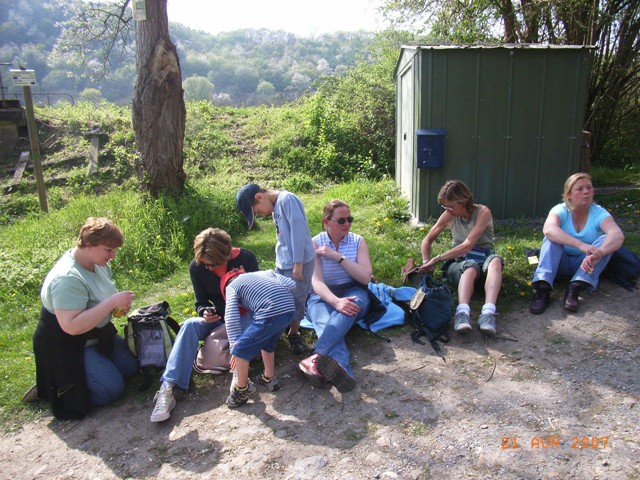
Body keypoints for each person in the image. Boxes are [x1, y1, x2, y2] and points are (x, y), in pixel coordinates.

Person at [33, 217, 138, 420]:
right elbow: (71, 326)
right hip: (69, 344)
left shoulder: (98, 263)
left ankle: (94, 370)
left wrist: (116, 309)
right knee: (112, 390)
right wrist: (110, 304)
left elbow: (100, 300)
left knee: (130, 368)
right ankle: (55, 383)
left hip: (97, 334)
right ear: (88, 244)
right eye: (109, 250)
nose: (113, 255)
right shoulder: (67, 279)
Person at [150, 228, 258, 423]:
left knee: (241, 320)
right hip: (218, 317)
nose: (210, 269)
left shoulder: (246, 259)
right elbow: (200, 302)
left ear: (227, 254)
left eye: (214, 265)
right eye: (206, 265)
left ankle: (239, 374)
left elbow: (260, 296)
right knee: (190, 325)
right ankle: (168, 388)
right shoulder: (197, 267)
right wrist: (204, 312)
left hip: (244, 313)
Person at [299, 199, 373, 393]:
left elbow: (365, 278)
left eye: (350, 219)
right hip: (323, 294)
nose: (347, 224)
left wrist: (338, 257)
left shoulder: (358, 241)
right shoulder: (314, 243)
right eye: (341, 220)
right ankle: (342, 371)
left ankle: (316, 357)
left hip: (353, 290)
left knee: (350, 307)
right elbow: (317, 283)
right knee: (326, 322)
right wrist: (334, 301)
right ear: (326, 222)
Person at [236, 183, 315, 355]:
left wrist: (298, 263)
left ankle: (294, 333)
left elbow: (298, 232)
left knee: (297, 300)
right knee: (280, 299)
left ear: (259, 196)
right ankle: (278, 330)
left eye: (257, 211)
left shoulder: (287, 199)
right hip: (284, 262)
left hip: (298, 263)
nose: (261, 215)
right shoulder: (275, 206)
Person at [529, 173, 624, 314]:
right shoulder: (560, 210)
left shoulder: (599, 213)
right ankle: (542, 289)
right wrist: (581, 245)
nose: (586, 192)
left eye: (589, 188)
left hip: (585, 264)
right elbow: (549, 229)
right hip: (560, 262)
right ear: (569, 195)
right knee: (551, 239)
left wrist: (599, 253)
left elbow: (617, 234)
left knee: (606, 241)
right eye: (580, 189)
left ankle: (575, 287)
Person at [419, 179, 504, 335]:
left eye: (450, 206)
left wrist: (437, 258)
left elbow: (467, 245)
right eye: (444, 206)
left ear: (463, 201)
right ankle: (462, 313)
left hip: (484, 258)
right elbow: (427, 240)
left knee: (496, 261)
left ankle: (488, 314)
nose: (448, 210)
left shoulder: (483, 212)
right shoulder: (448, 216)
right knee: (470, 267)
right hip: (461, 264)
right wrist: (426, 262)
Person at [221, 268, 296, 408]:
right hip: (289, 309)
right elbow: (291, 284)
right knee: (268, 343)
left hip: (269, 312)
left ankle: (242, 390)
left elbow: (231, 317)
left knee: (240, 349)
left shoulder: (231, 287)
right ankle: (269, 378)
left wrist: (234, 345)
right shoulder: (266, 272)